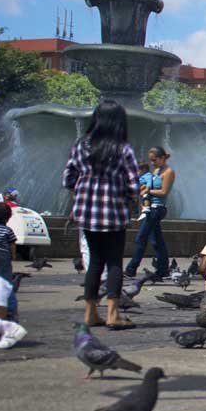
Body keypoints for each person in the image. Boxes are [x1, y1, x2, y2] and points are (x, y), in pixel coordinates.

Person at [64, 100, 141, 329]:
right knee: (114, 262)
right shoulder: (123, 148)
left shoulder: (81, 145)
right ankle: (113, 314)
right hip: (114, 212)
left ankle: (90, 313)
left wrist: (82, 189)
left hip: (86, 212)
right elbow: (134, 185)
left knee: (95, 261)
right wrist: (125, 196)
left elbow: (68, 177)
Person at [124, 146, 174, 278]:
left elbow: (164, 192)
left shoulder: (168, 172)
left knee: (141, 237)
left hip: (157, 208)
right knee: (156, 239)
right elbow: (149, 185)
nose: (152, 163)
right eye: (151, 160)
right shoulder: (156, 170)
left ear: (162, 158)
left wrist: (148, 191)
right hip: (150, 207)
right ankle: (163, 269)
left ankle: (131, 268)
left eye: (154, 160)